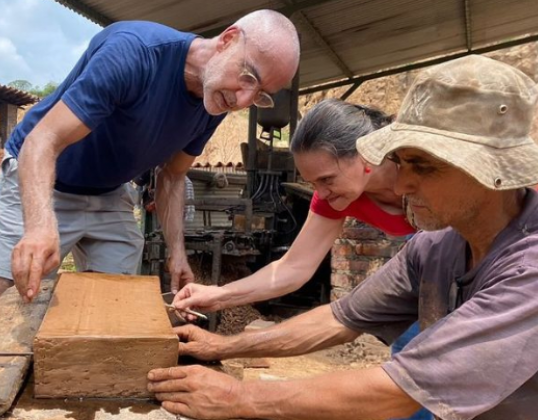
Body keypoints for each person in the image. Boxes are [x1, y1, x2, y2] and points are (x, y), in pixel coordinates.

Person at [148, 55, 538, 420]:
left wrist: (239, 398)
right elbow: (340, 318)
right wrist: (219, 346)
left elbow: (401, 389)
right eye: (401, 161)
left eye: (424, 166)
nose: (403, 184)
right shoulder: (436, 247)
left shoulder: (536, 265)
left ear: (489, 171)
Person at [0, 10, 301, 305]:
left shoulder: (214, 100)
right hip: (42, 175)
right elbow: (42, 141)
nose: (242, 100)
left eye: (258, 96)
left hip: (108, 193)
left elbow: (173, 177)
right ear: (228, 40)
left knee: (116, 305)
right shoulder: (134, 54)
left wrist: (177, 253)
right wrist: (38, 226)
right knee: (8, 300)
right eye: (248, 78)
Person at [172, 99, 431, 420]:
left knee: (433, 358)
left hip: (468, 252)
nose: (319, 192)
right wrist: (218, 295)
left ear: (366, 156)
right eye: (311, 183)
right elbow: (294, 267)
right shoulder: (337, 196)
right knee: (411, 349)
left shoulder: (426, 171)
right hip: (422, 253)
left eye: (326, 179)